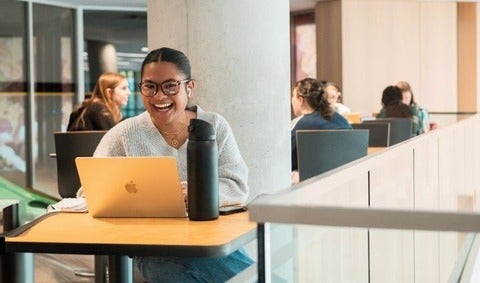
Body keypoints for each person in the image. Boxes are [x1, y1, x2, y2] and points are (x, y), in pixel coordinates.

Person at [91, 47, 253, 282]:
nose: (159, 96)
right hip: (152, 247)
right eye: (150, 86)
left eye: (170, 86)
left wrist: (193, 193)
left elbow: (237, 186)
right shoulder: (124, 133)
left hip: (209, 242)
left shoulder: (214, 126)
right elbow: (90, 191)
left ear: (190, 88)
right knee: (168, 264)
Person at [290, 78, 352, 184]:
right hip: (346, 181)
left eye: (293, 96)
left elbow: (287, 160)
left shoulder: (300, 124)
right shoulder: (341, 119)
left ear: (300, 100)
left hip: (311, 186)